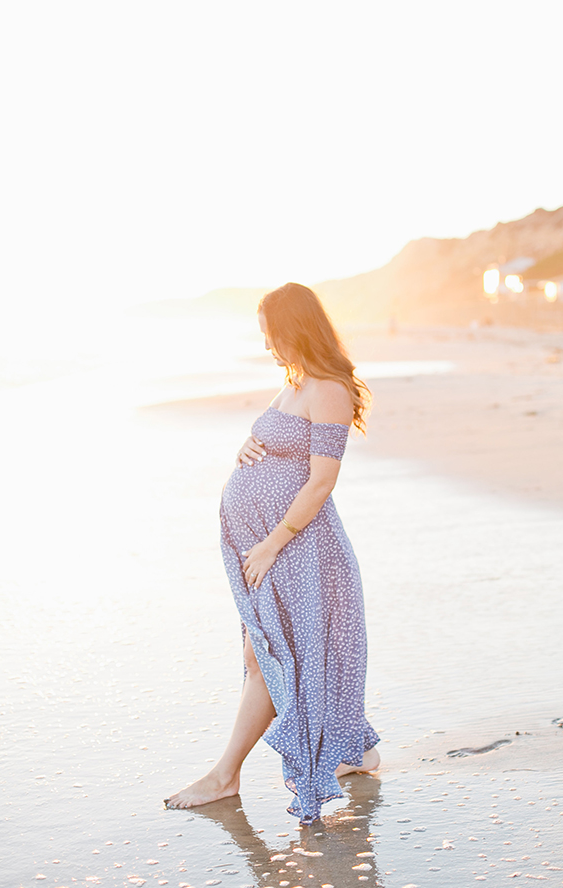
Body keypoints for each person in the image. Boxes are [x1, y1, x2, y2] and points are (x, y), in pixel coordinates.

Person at [165, 283, 380, 823]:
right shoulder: (298, 382)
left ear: (294, 328)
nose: (266, 346)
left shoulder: (328, 387)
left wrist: (269, 543)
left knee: (268, 657)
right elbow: (281, 447)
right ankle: (352, 752)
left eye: (270, 334)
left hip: (299, 550)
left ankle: (225, 775)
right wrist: (247, 449)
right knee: (270, 656)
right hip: (275, 549)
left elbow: (321, 481)